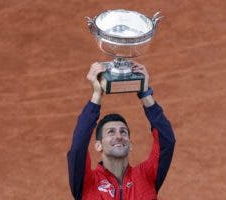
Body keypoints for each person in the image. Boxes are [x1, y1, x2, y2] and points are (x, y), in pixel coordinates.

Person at [67, 62, 176, 200]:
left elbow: (167, 141)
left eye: (123, 132)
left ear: (130, 144)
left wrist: (145, 93)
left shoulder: (146, 176)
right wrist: (96, 95)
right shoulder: (87, 183)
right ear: (98, 145)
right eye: (110, 132)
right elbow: (78, 148)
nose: (119, 136)